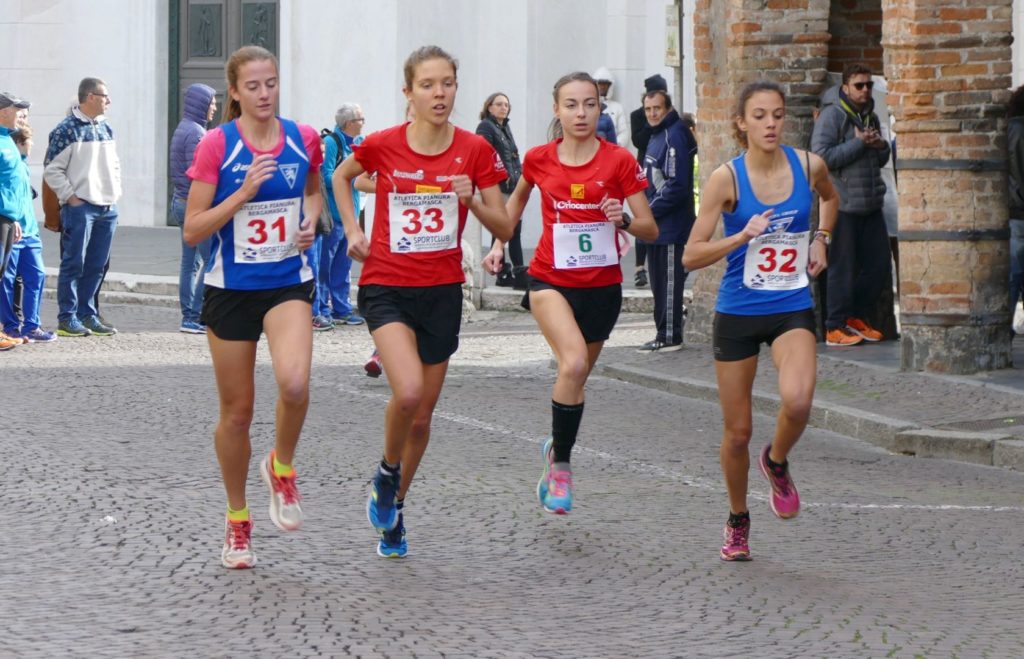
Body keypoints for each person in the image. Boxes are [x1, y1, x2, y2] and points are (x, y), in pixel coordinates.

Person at [333, 45, 513, 558]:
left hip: (440, 291)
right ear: (408, 92)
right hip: (386, 284)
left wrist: (471, 199)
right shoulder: (385, 144)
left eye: (448, 83)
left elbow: (504, 225)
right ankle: (388, 472)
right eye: (429, 85)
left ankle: (395, 509)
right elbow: (341, 176)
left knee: (423, 416)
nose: (440, 93)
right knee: (407, 392)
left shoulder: (475, 151)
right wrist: (351, 229)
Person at [485, 71, 658, 515]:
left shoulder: (619, 161)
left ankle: (554, 447)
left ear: (600, 109)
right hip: (550, 279)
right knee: (574, 362)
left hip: (602, 288)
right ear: (556, 109)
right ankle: (561, 466)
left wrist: (621, 218)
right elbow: (515, 205)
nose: (581, 113)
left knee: (575, 377)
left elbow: (649, 228)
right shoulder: (540, 158)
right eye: (571, 105)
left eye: (589, 104)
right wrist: (499, 244)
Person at [683, 80, 838, 561]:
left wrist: (821, 240)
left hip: (790, 304)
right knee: (738, 431)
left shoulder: (809, 165)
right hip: (738, 311)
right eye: (759, 115)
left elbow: (830, 199)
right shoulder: (725, 180)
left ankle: (776, 461)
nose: (770, 123)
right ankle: (737, 518)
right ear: (741, 123)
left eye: (776, 114)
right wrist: (741, 237)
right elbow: (691, 255)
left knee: (798, 400)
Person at [183, 45, 323, 569]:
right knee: (237, 414)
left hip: (288, 279)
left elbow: (313, 191)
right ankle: (237, 519)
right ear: (235, 92)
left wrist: (311, 219)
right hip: (231, 287)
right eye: (254, 86)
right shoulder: (217, 145)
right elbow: (193, 229)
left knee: (294, 384)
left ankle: (281, 466)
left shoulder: (303, 137)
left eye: (272, 84)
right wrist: (241, 193)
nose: (265, 94)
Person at [811, 63, 891, 346]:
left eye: (869, 85)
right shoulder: (833, 115)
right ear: (845, 87)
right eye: (859, 85)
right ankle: (834, 325)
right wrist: (859, 144)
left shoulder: (870, 115)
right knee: (841, 269)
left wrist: (880, 146)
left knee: (879, 267)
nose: (866, 90)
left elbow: (880, 160)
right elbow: (820, 158)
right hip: (842, 205)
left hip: (871, 203)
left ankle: (854, 317)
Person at [44, 77, 122, 338]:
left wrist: (115, 192)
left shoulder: (106, 128)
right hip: (81, 207)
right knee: (73, 263)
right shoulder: (66, 129)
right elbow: (52, 169)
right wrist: (71, 197)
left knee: (97, 265)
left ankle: (87, 314)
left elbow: (114, 165)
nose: (108, 101)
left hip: (107, 207)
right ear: (90, 97)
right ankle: (67, 317)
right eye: (105, 96)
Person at [638, 88, 697, 352]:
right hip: (655, 226)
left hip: (671, 226)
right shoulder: (656, 135)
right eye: (648, 109)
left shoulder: (674, 136)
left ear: (668, 109)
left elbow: (676, 185)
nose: (652, 114)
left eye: (656, 109)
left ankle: (670, 335)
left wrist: (646, 211)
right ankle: (662, 332)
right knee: (659, 284)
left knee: (670, 283)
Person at [169, 83, 217, 334]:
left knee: (190, 263)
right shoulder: (197, 133)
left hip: (180, 202)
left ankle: (188, 315)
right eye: (211, 103)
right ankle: (196, 314)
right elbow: (196, 174)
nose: (215, 108)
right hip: (192, 205)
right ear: (201, 104)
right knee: (211, 260)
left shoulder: (183, 128)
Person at [314, 102, 366, 330]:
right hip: (334, 215)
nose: (364, 124)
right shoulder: (331, 143)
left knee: (343, 266)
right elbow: (325, 176)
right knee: (325, 265)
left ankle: (342, 309)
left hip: (351, 215)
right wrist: (348, 177)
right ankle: (323, 309)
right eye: (361, 120)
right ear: (349, 123)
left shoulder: (359, 143)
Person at [0, 92, 40, 350]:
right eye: (18, 110)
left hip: (9, 218)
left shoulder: (7, 140)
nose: (22, 117)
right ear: (3, 111)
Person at [475, 92, 525, 289]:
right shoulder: (486, 126)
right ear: (489, 107)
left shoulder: (504, 126)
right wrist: (497, 178)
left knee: (512, 229)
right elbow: (484, 154)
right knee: (506, 229)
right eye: (499, 104)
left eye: (506, 104)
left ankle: (509, 271)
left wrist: (520, 175)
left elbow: (513, 155)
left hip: (513, 185)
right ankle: (510, 272)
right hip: (499, 187)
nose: (504, 107)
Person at [630, 74, 668, 289]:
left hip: (662, 168)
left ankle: (657, 262)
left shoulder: (669, 115)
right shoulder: (638, 115)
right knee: (642, 216)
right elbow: (638, 140)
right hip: (644, 169)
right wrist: (650, 122)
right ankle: (639, 267)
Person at [1007, 84, 1024, 331]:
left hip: (1012, 211)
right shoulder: (1020, 132)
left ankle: (1003, 330)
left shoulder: (1006, 130)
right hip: (1019, 210)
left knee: (1012, 276)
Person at [591, 67, 629, 148]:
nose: (602, 87)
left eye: (605, 84)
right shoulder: (590, 105)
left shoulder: (617, 107)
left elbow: (624, 133)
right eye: (600, 83)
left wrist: (613, 147)